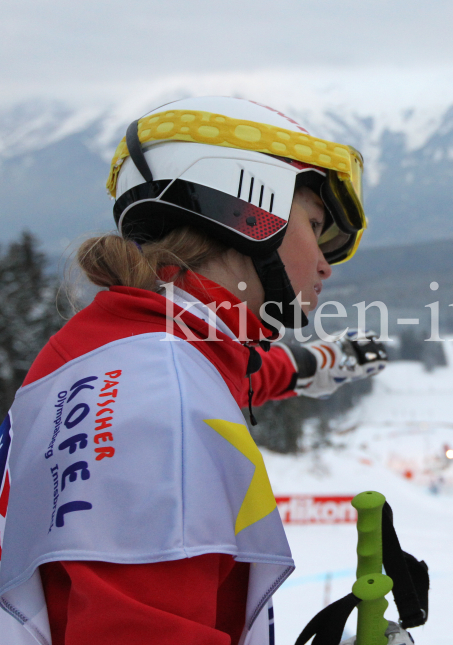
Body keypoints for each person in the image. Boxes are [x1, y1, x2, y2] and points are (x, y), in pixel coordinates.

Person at [0, 96, 387, 645]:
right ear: (250, 209)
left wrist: (323, 362)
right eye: (315, 224)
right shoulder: (162, 411)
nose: (326, 262)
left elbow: (240, 374)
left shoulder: (122, 345)